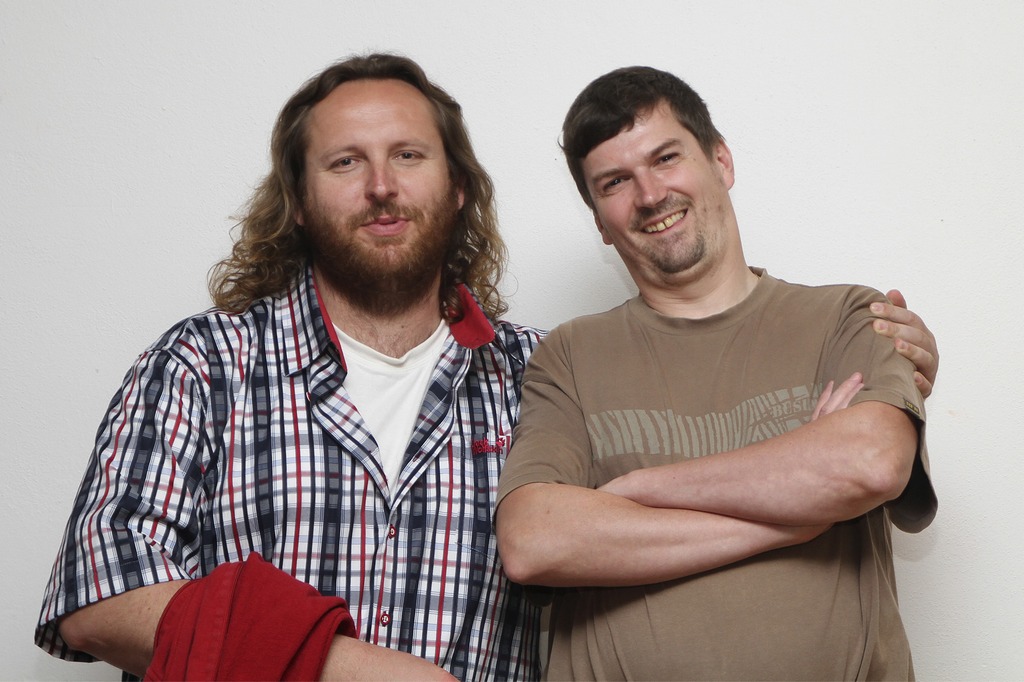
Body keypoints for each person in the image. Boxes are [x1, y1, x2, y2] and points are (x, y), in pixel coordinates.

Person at [36, 55, 936, 680]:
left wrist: (896, 370)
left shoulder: (533, 369)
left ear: (457, 186)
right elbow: (99, 599)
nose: (382, 185)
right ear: (300, 201)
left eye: (409, 156)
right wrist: (355, 669)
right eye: (345, 163)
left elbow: (822, 458)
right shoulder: (204, 364)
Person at [496, 65, 938, 680]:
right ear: (599, 221)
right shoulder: (568, 355)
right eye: (615, 182)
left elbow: (869, 463)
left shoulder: (847, 316)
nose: (650, 195)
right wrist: (796, 519)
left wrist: (633, 490)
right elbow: (533, 541)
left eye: (666, 158)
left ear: (721, 162)